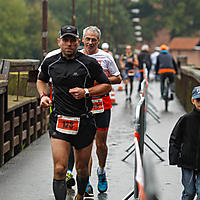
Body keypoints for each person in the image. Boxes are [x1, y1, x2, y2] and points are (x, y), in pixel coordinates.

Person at [36, 25, 111, 200]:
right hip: (60, 120)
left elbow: (106, 84)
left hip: (83, 121)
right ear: (59, 42)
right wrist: (43, 95)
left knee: (82, 169)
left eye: (72, 40)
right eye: (65, 40)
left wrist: (86, 92)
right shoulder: (51, 61)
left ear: (78, 42)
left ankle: (79, 196)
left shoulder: (88, 63)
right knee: (60, 169)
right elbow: (41, 80)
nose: (69, 44)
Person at [81, 26, 122, 195]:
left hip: (102, 105)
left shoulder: (106, 57)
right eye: (88, 39)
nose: (90, 42)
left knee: (100, 144)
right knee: (86, 144)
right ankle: (87, 180)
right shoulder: (77, 56)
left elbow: (118, 78)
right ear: (82, 40)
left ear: (98, 41)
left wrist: (102, 80)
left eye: (94, 40)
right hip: (83, 105)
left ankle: (102, 171)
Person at [169, 86, 200, 200]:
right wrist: (174, 157)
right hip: (187, 161)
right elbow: (175, 138)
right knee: (189, 192)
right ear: (192, 100)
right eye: (198, 100)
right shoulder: (185, 119)